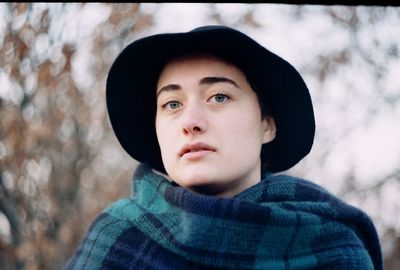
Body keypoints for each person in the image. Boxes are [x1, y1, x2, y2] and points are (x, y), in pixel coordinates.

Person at [65, 25, 383, 269]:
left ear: (267, 124)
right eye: (172, 103)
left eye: (219, 97)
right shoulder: (117, 237)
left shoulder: (332, 246)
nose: (190, 121)